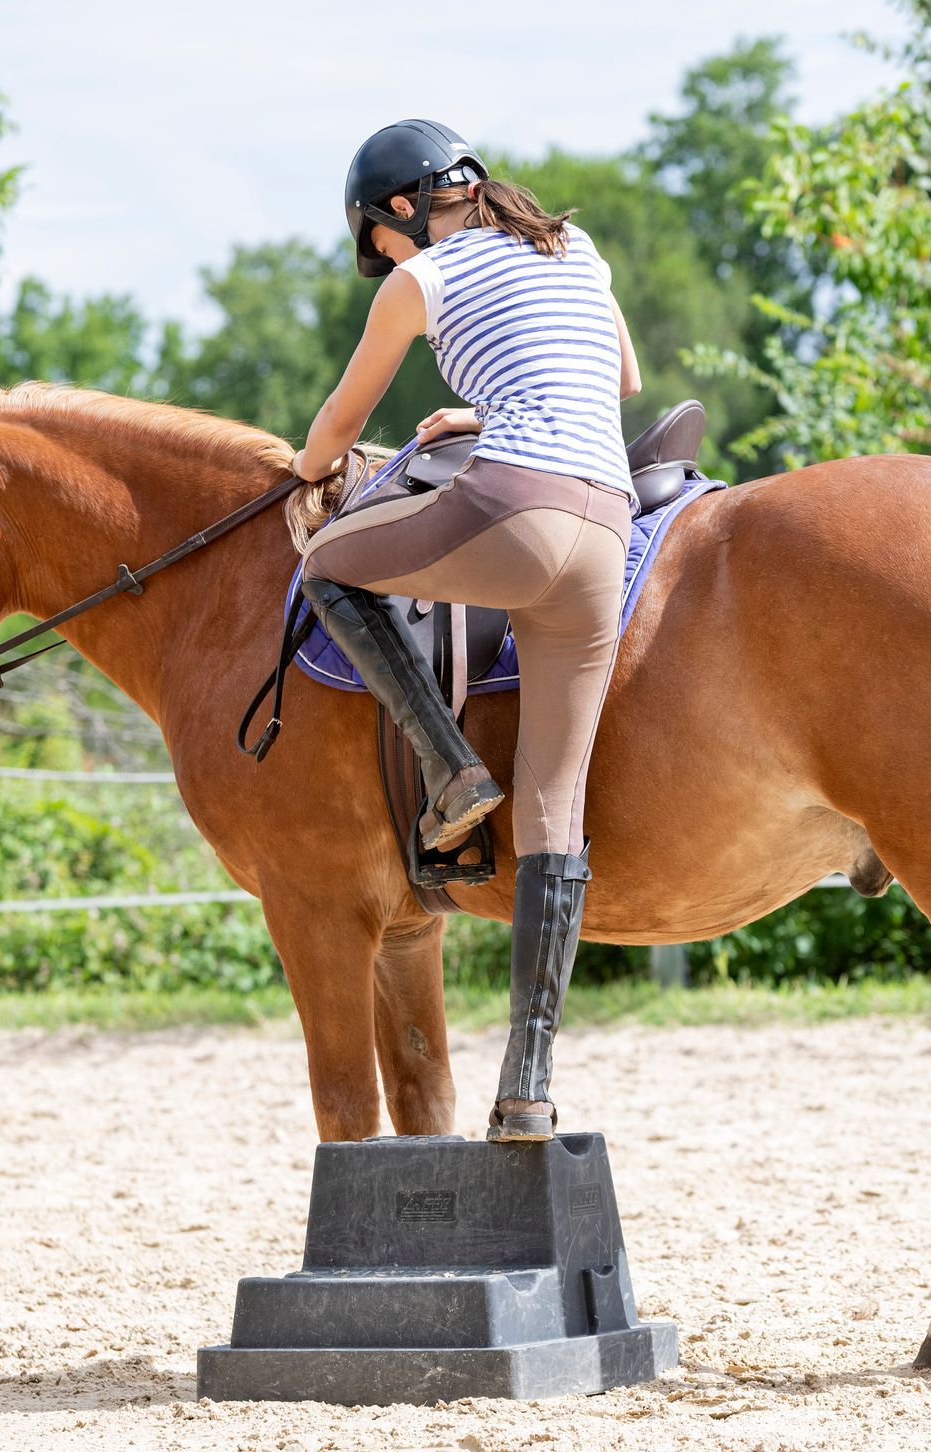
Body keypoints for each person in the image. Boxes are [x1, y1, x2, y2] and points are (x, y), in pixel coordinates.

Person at [290, 118, 642, 1143]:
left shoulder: (423, 280)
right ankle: (526, 1091)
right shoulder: (570, 246)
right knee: (553, 809)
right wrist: (474, 412)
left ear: (401, 211)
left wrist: (312, 477)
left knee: (327, 566)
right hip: (605, 526)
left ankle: (449, 773)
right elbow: (614, 384)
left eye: (379, 243)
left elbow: (339, 429)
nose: (384, 264)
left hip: (514, 509)